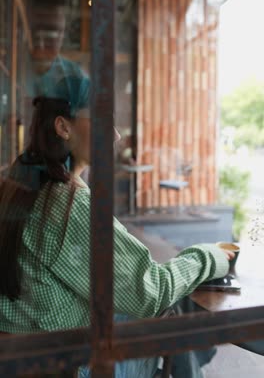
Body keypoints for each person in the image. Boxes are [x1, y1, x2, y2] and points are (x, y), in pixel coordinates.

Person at [0, 60, 234, 377]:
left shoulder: (18, 177)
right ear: (63, 127)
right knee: (171, 315)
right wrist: (212, 256)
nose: (115, 135)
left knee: (172, 317)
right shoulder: (66, 204)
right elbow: (152, 291)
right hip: (68, 362)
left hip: (26, 350)